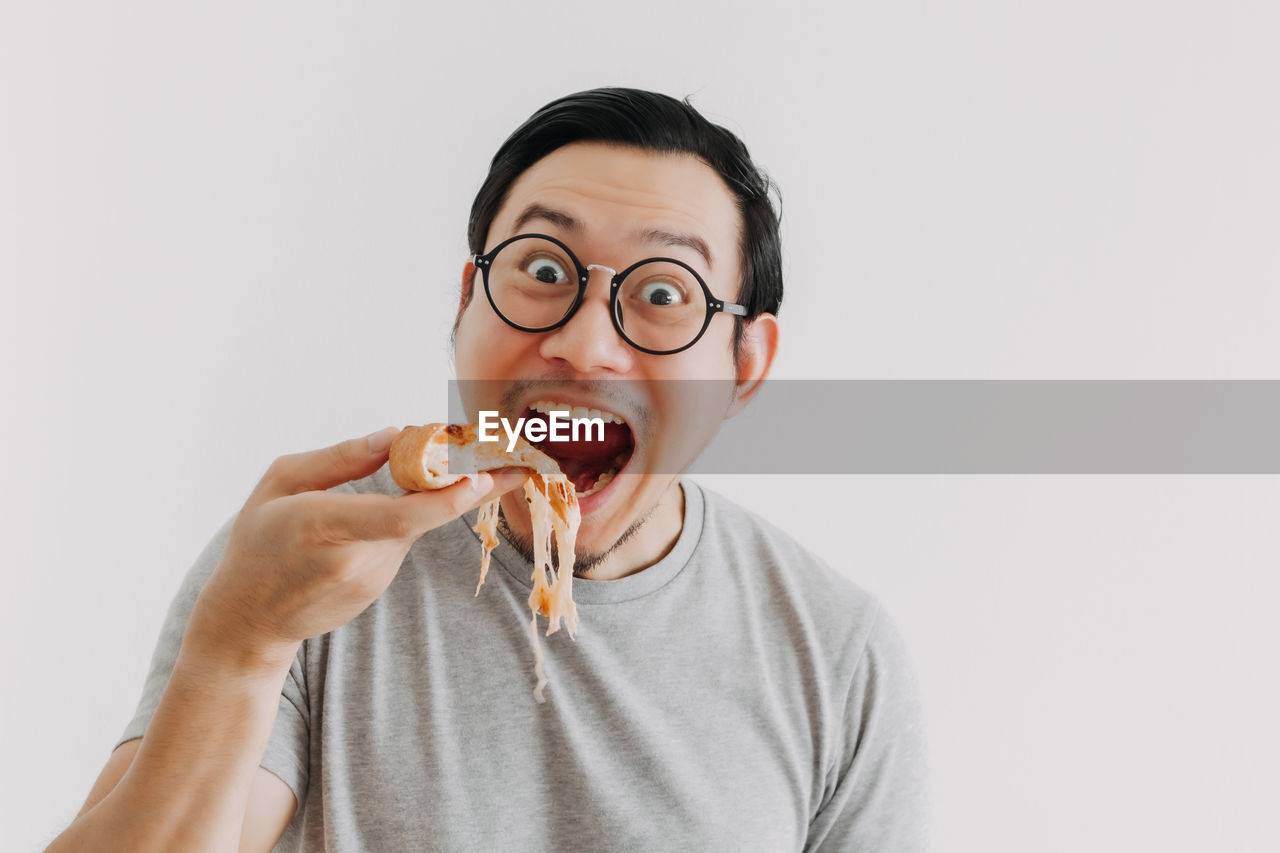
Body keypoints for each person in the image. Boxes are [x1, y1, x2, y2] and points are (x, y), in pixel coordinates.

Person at [48, 88, 931, 851]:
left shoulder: (836, 655)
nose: (584, 345)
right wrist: (239, 645)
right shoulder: (306, 569)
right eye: (543, 270)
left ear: (745, 365)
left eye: (664, 294)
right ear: (467, 300)